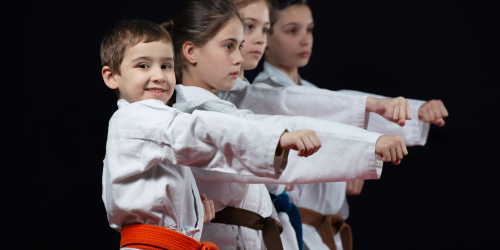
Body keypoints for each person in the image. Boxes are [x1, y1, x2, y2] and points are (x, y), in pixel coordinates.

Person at [162, 0, 410, 249]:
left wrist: (369, 120)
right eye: (229, 46)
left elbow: (285, 103)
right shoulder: (195, 115)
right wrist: (369, 143)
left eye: (239, 46)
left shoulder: (220, 104)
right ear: (191, 52)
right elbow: (263, 125)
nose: (239, 57)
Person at [100, 20, 323, 250]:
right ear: (111, 76)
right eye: (143, 66)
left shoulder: (148, 121)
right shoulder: (135, 117)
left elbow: (149, 200)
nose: (158, 76)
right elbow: (200, 131)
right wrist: (277, 138)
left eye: (166, 66)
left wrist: (191, 215)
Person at [252, 0, 449, 249]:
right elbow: (326, 111)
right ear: (265, 36)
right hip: (294, 231)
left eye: (309, 30)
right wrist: (358, 154)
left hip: (327, 231)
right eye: (292, 30)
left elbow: (338, 105)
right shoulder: (264, 93)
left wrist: (415, 110)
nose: (305, 39)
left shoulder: (312, 91)